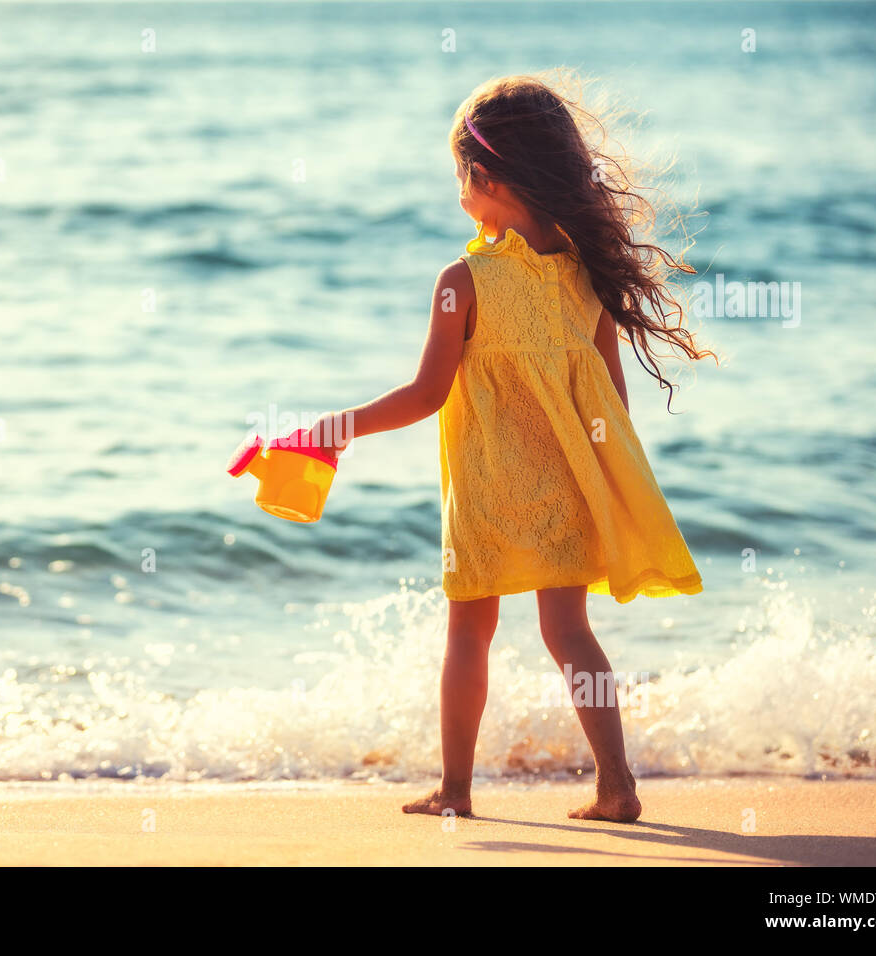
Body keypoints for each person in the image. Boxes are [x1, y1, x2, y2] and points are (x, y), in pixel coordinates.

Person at [305, 74, 713, 822]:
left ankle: (456, 791)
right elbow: (610, 402)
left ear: (485, 177)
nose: (460, 197)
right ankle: (617, 785)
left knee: (469, 633)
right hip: (569, 485)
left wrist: (331, 430)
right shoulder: (587, 270)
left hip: (489, 492)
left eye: (460, 180)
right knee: (569, 632)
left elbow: (425, 395)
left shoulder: (463, 281)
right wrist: (606, 487)